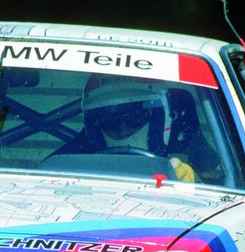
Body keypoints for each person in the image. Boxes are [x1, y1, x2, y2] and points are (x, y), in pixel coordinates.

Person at [55, 74, 212, 182]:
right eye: (110, 123)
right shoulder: (70, 175)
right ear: (95, 128)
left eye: (133, 120)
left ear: (158, 120)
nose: (122, 130)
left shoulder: (180, 175)